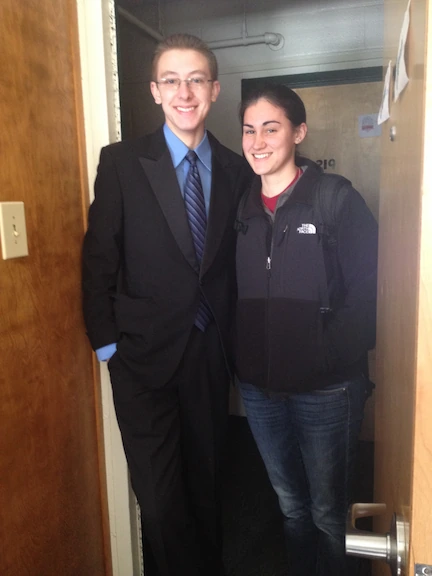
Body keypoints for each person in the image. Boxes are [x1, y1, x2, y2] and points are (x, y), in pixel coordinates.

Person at [82, 33, 251, 576]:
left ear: (215, 90)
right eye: (172, 81)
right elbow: (98, 260)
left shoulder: (235, 168)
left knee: (206, 484)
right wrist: (109, 346)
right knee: (158, 498)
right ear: (155, 92)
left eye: (196, 79)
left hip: (207, 355)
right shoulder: (123, 163)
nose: (185, 92)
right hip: (140, 359)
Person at [234, 84, 378, 576]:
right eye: (249, 130)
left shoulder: (336, 200)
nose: (258, 141)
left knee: (327, 513)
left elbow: (370, 294)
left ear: (298, 132)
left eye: (270, 128)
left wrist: (323, 356)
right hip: (261, 392)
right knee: (291, 507)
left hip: (326, 391)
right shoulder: (242, 209)